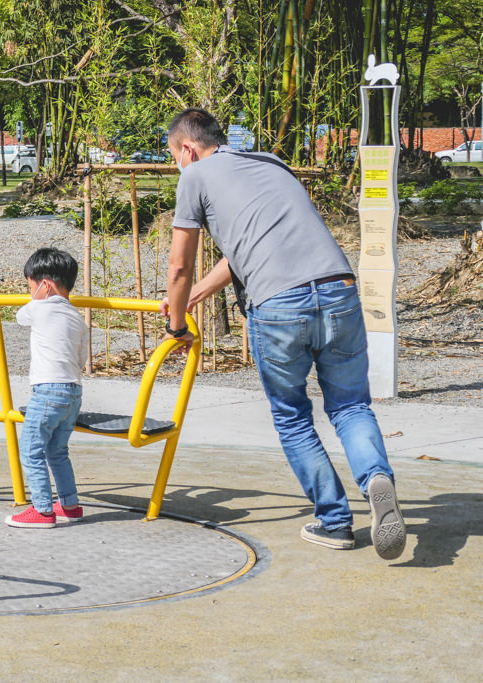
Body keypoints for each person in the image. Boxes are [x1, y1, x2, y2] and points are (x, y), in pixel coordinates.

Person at [161, 107, 406, 559]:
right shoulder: (270, 163)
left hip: (278, 307)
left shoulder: (194, 177)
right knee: (350, 405)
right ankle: (375, 477)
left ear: (188, 149)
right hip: (338, 289)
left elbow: (179, 263)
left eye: (176, 155)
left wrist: (176, 324)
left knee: (293, 416)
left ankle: (335, 522)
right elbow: (246, 250)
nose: (178, 162)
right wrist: (196, 294)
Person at [6, 248, 90, 529]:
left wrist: (37, 299)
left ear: (44, 285)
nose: (30, 293)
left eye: (31, 286)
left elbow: (20, 317)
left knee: (31, 451)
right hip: (73, 392)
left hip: (48, 391)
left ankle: (42, 510)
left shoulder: (39, 306)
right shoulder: (78, 318)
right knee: (57, 452)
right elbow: (81, 360)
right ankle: (70, 505)